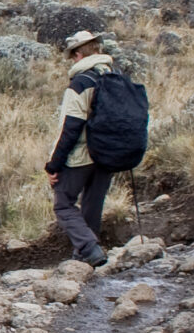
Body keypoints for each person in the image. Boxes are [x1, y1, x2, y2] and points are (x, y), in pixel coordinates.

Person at [43, 29, 148, 267]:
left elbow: (71, 127)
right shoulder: (116, 76)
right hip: (110, 152)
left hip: (82, 155)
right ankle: (87, 256)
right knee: (93, 203)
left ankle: (89, 249)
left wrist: (54, 164)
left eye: (73, 56)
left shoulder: (80, 83)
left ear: (78, 54)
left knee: (63, 203)